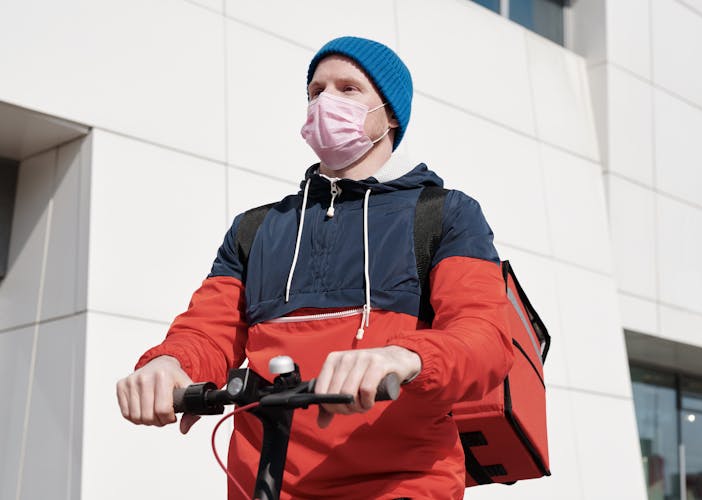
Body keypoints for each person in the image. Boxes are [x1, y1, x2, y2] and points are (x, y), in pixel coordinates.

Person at [117, 36, 514, 500]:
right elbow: (208, 332)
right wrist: (170, 362)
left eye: (348, 89)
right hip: (263, 485)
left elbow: (484, 337)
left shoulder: (445, 213)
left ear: (389, 115)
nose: (326, 102)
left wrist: (403, 356)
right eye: (316, 91)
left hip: (398, 485)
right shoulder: (258, 227)